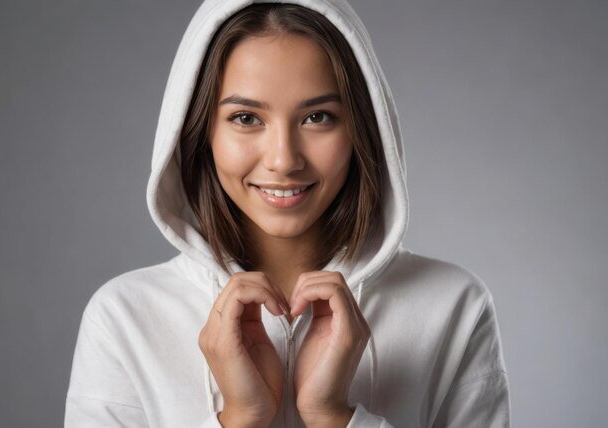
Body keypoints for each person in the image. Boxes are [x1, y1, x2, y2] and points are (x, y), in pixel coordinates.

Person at [65, 1, 511, 427]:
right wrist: (239, 419)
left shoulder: (454, 306)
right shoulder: (124, 317)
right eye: (245, 118)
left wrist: (334, 418)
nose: (283, 159)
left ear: (361, 128)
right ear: (202, 132)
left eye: (318, 117)